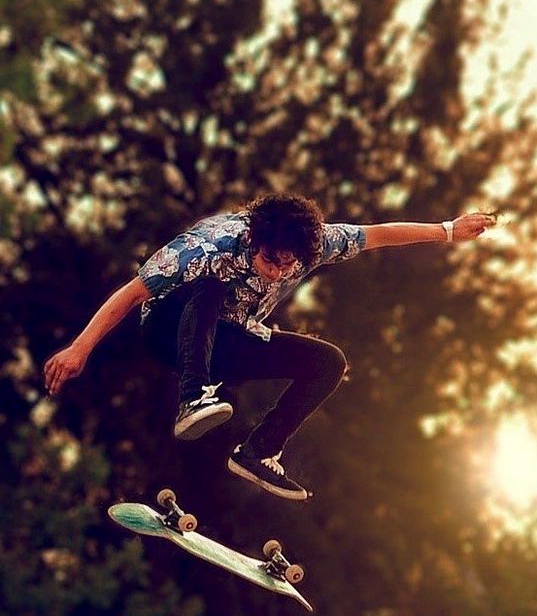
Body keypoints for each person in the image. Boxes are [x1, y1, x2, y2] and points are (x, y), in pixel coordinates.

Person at [44, 193, 496, 501]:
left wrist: (448, 230)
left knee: (327, 362)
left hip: (228, 340)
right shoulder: (208, 246)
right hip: (168, 329)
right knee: (211, 287)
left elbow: (375, 234)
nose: (278, 273)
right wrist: (79, 349)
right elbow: (131, 293)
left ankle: (258, 451)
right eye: (269, 261)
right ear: (255, 241)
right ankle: (191, 398)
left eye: (289, 265)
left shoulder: (314, 244)